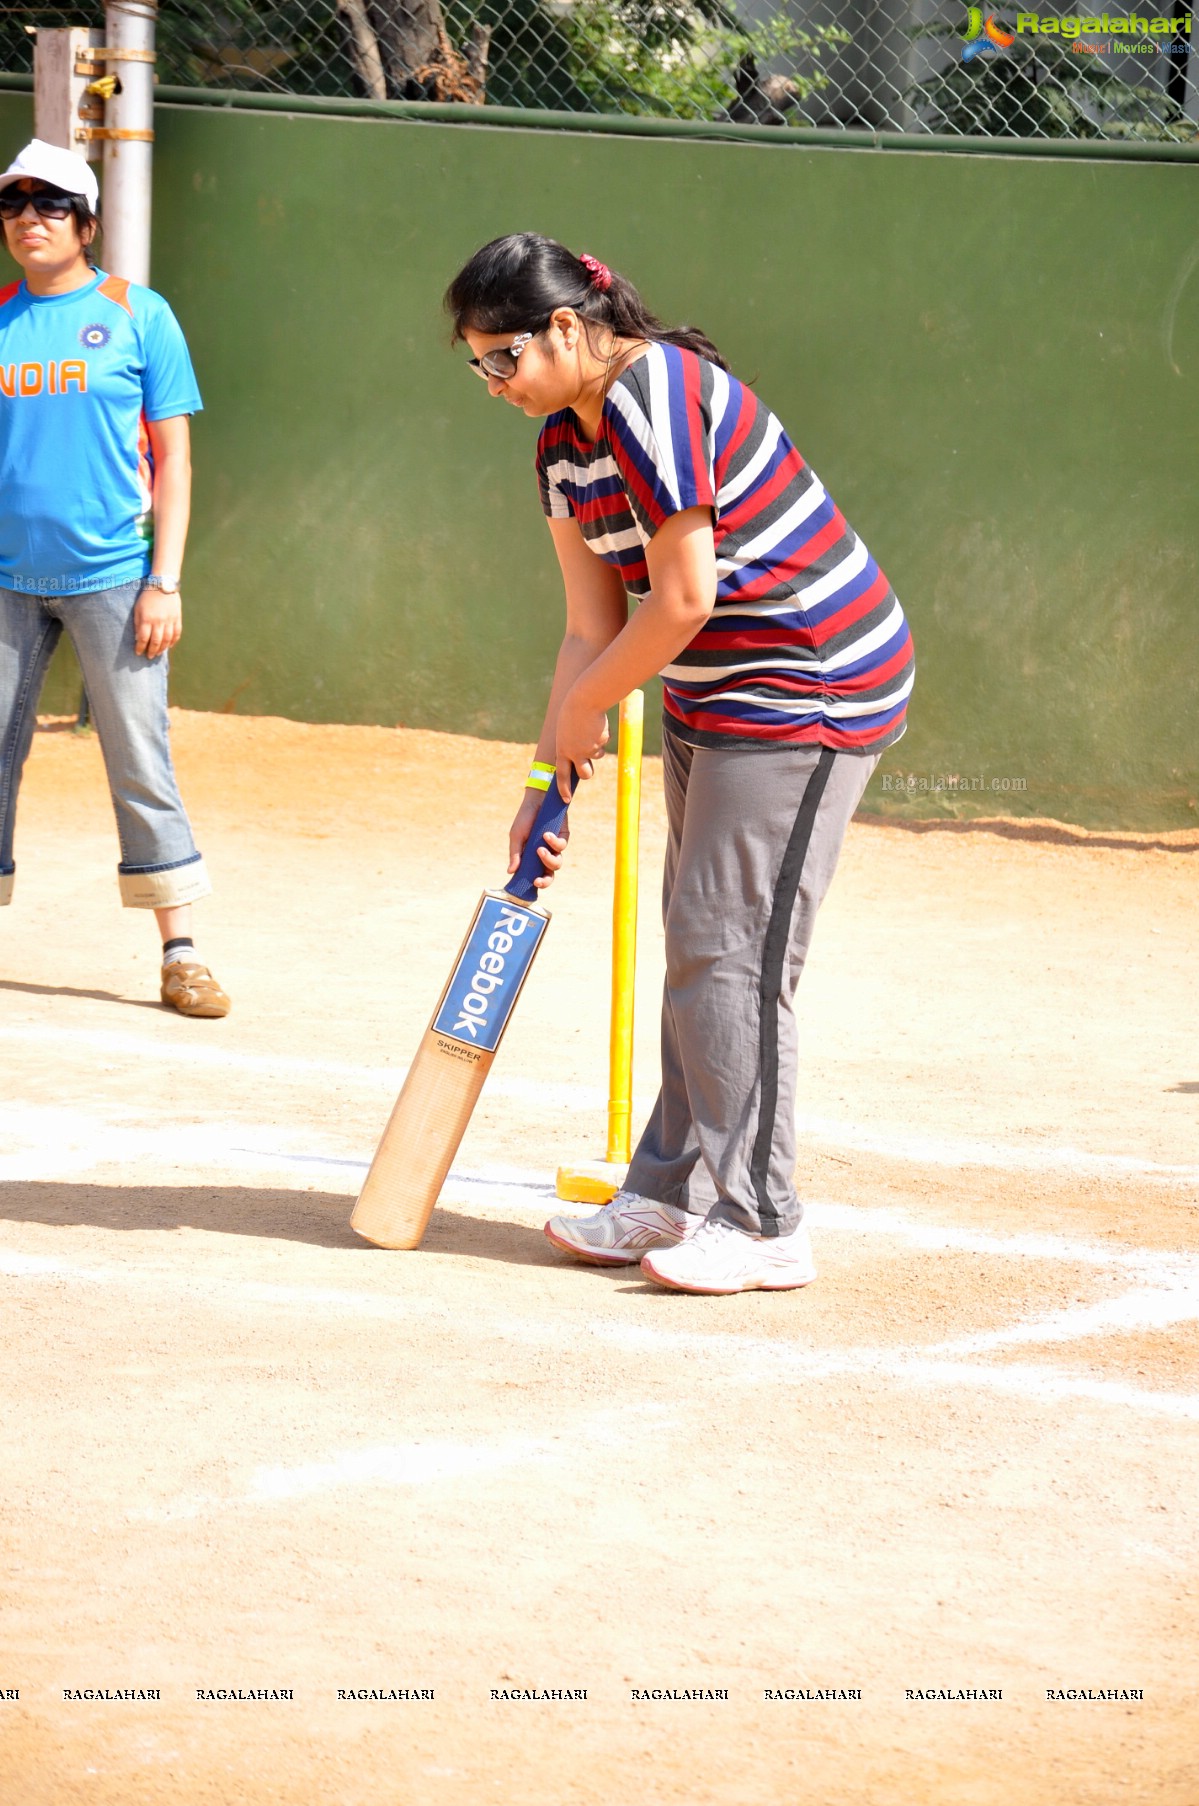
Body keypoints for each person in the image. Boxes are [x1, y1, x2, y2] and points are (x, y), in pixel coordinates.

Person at [445, 233, 914, 1296]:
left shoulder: (657, 392)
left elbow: (685, 596)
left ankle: (760, 1223)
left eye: (501, 358)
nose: (492, 384)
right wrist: (543, 777)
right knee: (704, 943)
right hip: (712, 686)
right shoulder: (559, 442)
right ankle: (665, 1193)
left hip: (810, 679)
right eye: (475, 365)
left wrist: (590, 709)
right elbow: (586, 628)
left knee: (727, 949)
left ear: (566, 328)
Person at [0, 140, 228, 1017]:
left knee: (138, 757)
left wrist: (161, 581)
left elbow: (174, 459)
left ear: (87, 224)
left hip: (112, 578)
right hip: (8, 581)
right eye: (15, 205)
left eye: (50, 204)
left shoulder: (140, 315)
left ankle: (180, 952)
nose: (29, 218)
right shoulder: (2, 320)